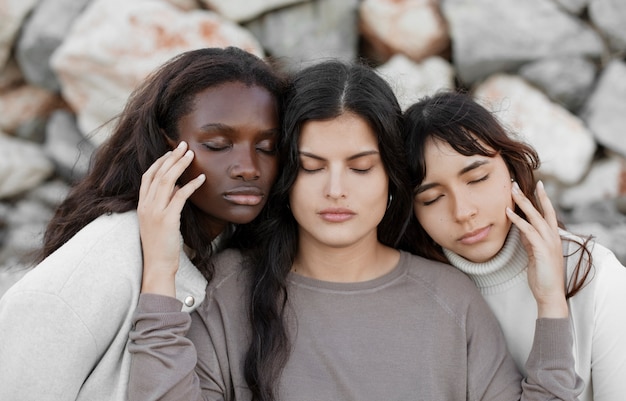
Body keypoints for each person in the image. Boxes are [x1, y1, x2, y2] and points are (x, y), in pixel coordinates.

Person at [128, 60, 583, 400]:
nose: (336, 190)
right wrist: (160, 274)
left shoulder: (451, 298)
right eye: (311, 167)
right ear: (285, 177)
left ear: (391, 177)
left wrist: (550, 302)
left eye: (361, 167)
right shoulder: (229, 286)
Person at [0, 46, 285, 401]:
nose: (248, 167)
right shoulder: (101, 265)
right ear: (166, 148)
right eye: (217, 144)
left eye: (268, 147)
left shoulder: (218, 251)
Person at [400, 90, 626, 401]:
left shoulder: (595, 276)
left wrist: (550, 299)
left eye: (478, 178)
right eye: (431, 198)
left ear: (512, 169)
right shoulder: (414, 297)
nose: (463, 212)